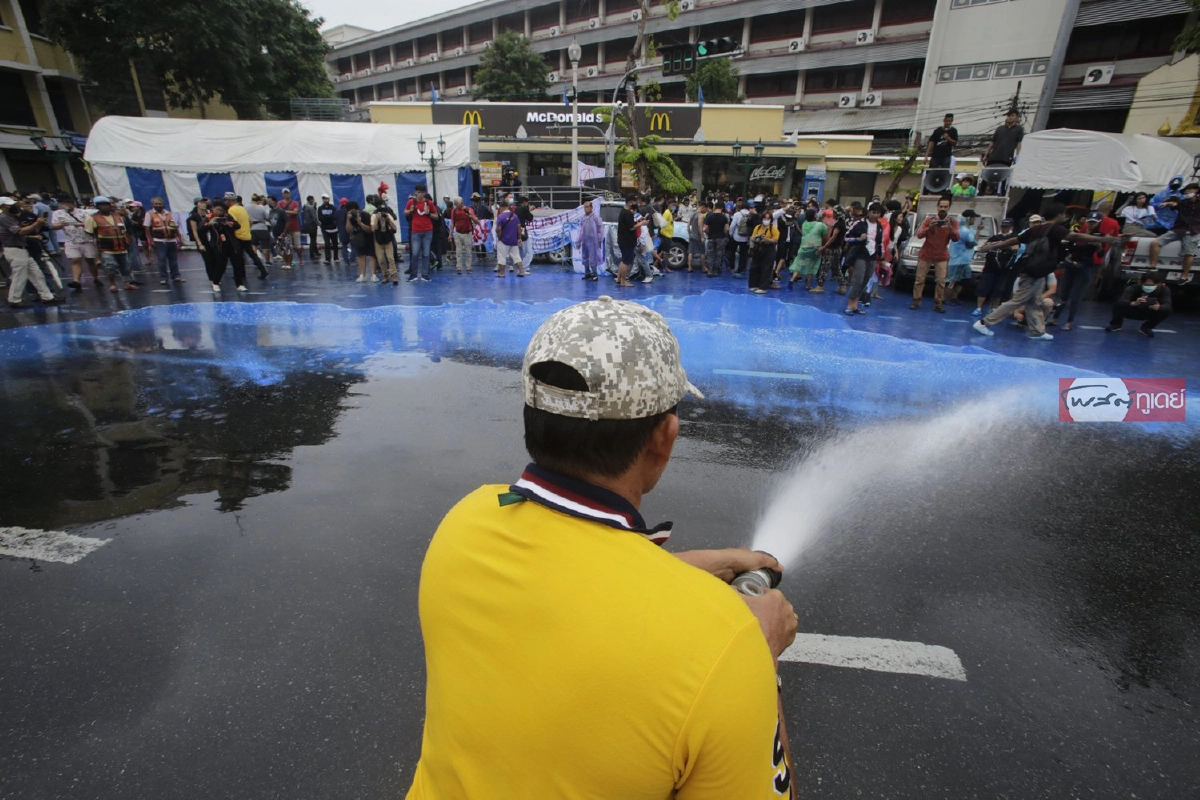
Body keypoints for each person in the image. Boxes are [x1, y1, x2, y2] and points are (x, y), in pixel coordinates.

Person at [406, 296, 798, 799]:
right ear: (665, 436)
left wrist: (714, 563)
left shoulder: (467, 522)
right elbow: (612, 593)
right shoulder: (727, 647)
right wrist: (761, 662)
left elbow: (583, 583)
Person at [974, 204, 1121, 340]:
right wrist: (1103, 239)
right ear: (1059, 214)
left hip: (1034, 269)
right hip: (1036, 271)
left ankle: (1037, 331)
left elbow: (1012, 241)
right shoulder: (1055, 229)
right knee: (1017, 301)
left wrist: (990, 247)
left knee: (1033, 301)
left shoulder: (1034, 230)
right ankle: (984, 322)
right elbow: (1074, 236)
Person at [1050, 212, 1104, 331]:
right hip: (1071, 265)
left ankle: (1069, 322)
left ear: (1098, 223)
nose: (1090, 225)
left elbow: (1101, 254)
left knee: (1076, 296)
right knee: (1063, 293)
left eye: (1093, 223)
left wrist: (1099, 246)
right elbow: (1068, 247)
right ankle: (1055, 318)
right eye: (1089, 222)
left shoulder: (1099, 236)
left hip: (1085, 267)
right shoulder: (1078, 233)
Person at [2, 196, 60, 307]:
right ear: (3, 207)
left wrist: (33, 234)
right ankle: (14, 299)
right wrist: (37, 223)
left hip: (20, 248)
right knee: (20, 275)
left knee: (36, 273)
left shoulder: (10, 217)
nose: (14, 206)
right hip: (15, 249)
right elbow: (20, 231)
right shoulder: (4, 218)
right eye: (10, 205)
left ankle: (47, 296)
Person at [910, 196, 959, 312]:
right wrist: (930, 227)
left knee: (941, 281)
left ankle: (938, 303)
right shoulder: (929, 220)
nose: (942, 209)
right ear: (937, 207)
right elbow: (920, 235)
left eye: (945, 207)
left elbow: (956, 238)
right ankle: (916, 301)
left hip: (941, 255)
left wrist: (950, 228)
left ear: (949, 207)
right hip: (926, 253)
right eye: (941, 206)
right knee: (919, 279)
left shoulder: (953, 221)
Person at [84, 196, 140, 294]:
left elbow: (124, 229)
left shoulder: (118, 216)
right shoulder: (93, 218)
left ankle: (127, 283)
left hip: (121, 245)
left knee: (125, 265)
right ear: (97, 206)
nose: (105, 207)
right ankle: (112, 284)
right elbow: (89, 231)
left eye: (106, 204)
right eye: (102, 205)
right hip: (106, 247)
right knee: (110, 266)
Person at [1148, 180, 1200, 281]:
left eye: (1189, 191)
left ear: (1196, 191)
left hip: (1193, 231)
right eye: (1186, 191)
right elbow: (1174, 204)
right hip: (1178, 229)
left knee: (1189, 253)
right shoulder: (1183, 203)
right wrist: (1167, 203)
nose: (1187, 193)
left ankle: (1184, 276)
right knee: (1155, 242)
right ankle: (1153, 266)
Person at [973, 218, 1020, 317]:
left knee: (998, 290)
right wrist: (994, 246)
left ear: (1011, 227)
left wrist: (999, 246)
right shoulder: (994, 238)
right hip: (990, 267)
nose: (1004, 229)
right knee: (983, 288)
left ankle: (994, 309)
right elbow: (983, 248)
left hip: (1004, 269)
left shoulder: (1014, 238)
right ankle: (978, 308)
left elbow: (1016, 248)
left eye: (1007, 227)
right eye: (1003, 227)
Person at [843, 202, 882, 316]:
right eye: (873, 212)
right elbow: (846, 237)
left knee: (865, 281)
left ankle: (855, 304)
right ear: (869, 212)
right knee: (858, 279)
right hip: (860, 254)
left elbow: (879, 242)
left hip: (872, 255)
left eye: (877, 213)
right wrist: (858, 239)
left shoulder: (879, 226)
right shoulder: (859, 223)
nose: (875, 215)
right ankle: (850, 304)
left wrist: (881, 254)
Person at [51, 195, 98, 290]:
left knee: (90, 261)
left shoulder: (83, 212)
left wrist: (80, 224)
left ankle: (95, 277)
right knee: (75, 260)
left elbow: (90, 223)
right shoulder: (58, 213)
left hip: (86, 240)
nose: (67, 205)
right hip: (71, 240)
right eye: (64, 203)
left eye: (69, 202)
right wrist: (63, 224)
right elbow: (54, 226)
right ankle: (76, 281)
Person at [1105, 271, 1171, 337]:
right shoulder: (1132, 288)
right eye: (1146, 285)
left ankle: (1147, 327)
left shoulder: (1164, 290)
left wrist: (1159, 307)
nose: (1149, 287)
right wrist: (1132, 303)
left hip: (1150, 312)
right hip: (1133, 310)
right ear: (1141, 283)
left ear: (1158, 284)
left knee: (1166, 311)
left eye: (1152, 285)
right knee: (1117, 305)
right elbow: (1122, 300)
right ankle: (1116, 324)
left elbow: (1167, 304)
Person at [201, 201, 246, 293]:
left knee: (237, 264)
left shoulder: (227, 216)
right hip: (218, 245)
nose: (219, 212)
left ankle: (239, 284)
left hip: (231, 244)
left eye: (221, 211)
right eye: (217, 209)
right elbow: (200, 229)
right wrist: (209, 224)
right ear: (213, 208)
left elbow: (237, 225)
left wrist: (229, 224)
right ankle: (215, 283)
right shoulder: (208, 218)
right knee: (221, 265)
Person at [224, 193, 268, 280]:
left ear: (229, 200)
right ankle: (263, 271)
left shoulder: (231, 210)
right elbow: (250, 222)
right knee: (252, 255)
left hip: (238, 236)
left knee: (238, 256)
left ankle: (241, 274)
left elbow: (233, 223)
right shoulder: (242, 208)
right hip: (247, 235)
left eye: (226, 200)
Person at [981, 110, 1024, 194]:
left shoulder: (1019, 129)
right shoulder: (1000, 129)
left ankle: (1002, 192)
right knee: (987, 174)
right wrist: (986, 154)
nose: (1010, 117)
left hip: (1007, 157)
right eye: (1008, 116)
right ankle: (981, 191)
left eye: (1012, 115)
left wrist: (1017, 156)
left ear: (1016, 117)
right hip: (994, 155)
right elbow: (992, 142)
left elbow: (1019, 143)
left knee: (1005, 175)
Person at [145, 196, 183, 285]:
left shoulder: (168, 213)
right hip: (159, 240)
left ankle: (176, 276)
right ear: (153, 205)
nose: (158, 205)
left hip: (171, 240)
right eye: (156, 204)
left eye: (160, 204)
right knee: (161, 260)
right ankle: (164, 277)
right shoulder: (149, 214)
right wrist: (151, 241)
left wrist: (179, 237)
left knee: (173, 259)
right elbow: (147, 228)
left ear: (163, 204)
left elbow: (174, 226)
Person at [945, 209, 979, 304]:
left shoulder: (966, 229)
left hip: (964, 260)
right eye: (973, 218)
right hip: (958, 260)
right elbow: (972, 243)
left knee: (964, 280)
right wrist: (979, 232)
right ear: (968, 219)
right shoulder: (964, 231)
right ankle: (945, 299)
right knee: (952, 281)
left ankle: (953, 297)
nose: (974, 220)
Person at [405, 185, 438, 282]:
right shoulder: (411, 202)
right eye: (418, 192)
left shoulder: (429, 203)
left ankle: (425, 274)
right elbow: (405, 212)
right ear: (415, 192)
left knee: (426, 253)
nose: (419, 194)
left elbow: (436, 216)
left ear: (424, 193)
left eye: (421, 192)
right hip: (415, 231)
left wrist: (429, 213)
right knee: (415, 253)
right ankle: (413, 274)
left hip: (427, 230)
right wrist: (410, 210)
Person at [790, 207, 826, 290]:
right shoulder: (820, 225)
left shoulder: (804, 224)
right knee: (812, 266)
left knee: (798, 263)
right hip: (815, 247)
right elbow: (825, 232)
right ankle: (808, 285)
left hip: (804, 246)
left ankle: (792, 279)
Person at [747, 212, 780, 294]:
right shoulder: (758, 227)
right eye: (764, 218)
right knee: (754, 267)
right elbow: (752, 237)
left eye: (768, 219)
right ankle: (753, 285)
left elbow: (775, 240)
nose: (766, 220)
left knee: (766, 268)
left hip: (769, 249)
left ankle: (763, 287)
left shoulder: (773, 228)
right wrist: (754, 239)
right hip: (758, 249)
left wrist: (767, 240)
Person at [616, 194, 644, 288]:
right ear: (630, 202)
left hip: (623, 240)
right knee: (626, 261)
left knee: (624, 259)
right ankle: (623, 280)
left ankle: (619, 278)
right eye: (634, 202)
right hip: (627, 240)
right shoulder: (627, 213)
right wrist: (642, 223)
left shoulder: (624, 211)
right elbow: (631, 227)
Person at [372, 202, 400, 285]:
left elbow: (394, 228)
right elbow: (373, 228)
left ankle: (394, 276)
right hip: (378, 240)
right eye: (381, 212)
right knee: (381, 259)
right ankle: (385, 275)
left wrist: (388, 219)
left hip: (388, 239)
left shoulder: (388, 216)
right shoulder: (374, 216)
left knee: (390, 258)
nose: (383, 213)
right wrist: (377, 219)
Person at [494, 200, 523, 278]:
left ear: (502, 207)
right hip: (513, 240)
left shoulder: (500, 217)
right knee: (517, 256)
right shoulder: (515, 216)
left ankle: (502, 273)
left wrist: (499, 237)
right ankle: (521, 271)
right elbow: (519, 228)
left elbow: (498, 229)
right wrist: (519, 238)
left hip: (504, 240)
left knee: (502, 257)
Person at [447, 196, 475, 275]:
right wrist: (450, 234)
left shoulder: (468, 210)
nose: (456, 206)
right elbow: (452, 223)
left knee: (468, 251)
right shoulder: (454, 211)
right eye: (455, 204)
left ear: (461, 203)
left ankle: (468, 267)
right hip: (458, 233)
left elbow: (475, 219)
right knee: (458, 251)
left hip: (467, 233)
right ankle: (459, 267)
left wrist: (469, 214)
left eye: (457, 204)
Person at [577, 199, 604, 282]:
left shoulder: (595, 218)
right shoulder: (583, 218)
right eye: (585, 207)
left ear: (591, 208)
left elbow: (600, 229)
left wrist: (599, 240)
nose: (586, 209)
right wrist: (579, 241)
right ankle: (587, 273)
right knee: (585, 257)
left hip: (593, 241)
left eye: (588, 207)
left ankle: (594, 274)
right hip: (585, 240)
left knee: (593, 257)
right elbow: (581, 231)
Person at [702, 201, 729, 278]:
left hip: (711, 237)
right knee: (719, 254)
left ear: (715, 207)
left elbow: (705, 228)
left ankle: (710, 270)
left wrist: (708, 233)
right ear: (722, 208)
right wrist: (725, 236)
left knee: (710, 254)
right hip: (720, 238)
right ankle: (716, 270)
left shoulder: (710, 216)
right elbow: (727, 229)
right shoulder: (724, 217)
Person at [278, 189, 302, 267]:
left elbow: (295, 212)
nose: (286, 195)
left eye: (287, 193)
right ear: (282, 194)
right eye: (285, 193)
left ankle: (300, 259)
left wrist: (284, 211)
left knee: (297, 246)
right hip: (285, 228)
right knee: (287, 246)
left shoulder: (295, 203)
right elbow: (279, 212)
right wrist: (289, 211)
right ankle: (290, 261)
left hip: (295, 227)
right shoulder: (280, 203)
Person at [729, 198, 752, 275]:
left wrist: (731, 234)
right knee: (743, 254)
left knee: (732, 252)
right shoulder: (751, 214)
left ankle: (732, 266)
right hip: (746, 237)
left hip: (736, 235)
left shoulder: (737, 214)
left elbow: (732, 225)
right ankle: (741, 268)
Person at [317, 194, 340, 264]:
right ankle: (328, 258)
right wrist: (328, 217)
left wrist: (327, 217)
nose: (325, 200)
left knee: (335, 244)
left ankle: (336, 257)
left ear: (329, 199)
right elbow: (320, 218)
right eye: (324, 199)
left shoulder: (332, 207)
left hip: (333, 228)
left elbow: (334, 216)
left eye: (326, 198)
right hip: (325, 228)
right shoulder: (320, 208)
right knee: (327, 244)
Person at [516, 195, 535, 275]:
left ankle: (522, 268)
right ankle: (523, 268)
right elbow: (530, 218)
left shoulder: (516, 209)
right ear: (524, 202)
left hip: (517, 230)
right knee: (529, 252)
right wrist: (529, 210)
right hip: (522, 230)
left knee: (521, 252)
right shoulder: (524, 208)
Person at [687, 200, 706, 272]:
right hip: (697, 236)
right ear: (703, 207)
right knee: (702, 252)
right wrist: (702, 236)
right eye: (705, 209)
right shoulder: (700, 215)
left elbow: (688, 225)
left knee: (691, 252)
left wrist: (689, 233)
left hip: (691, 235)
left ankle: (689, 267)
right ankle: (703, 267)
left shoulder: (692, 214)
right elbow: (700, 226)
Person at [302, 195, 319, 261]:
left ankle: (316, 252)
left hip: (307, 224)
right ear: (311, 200)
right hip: (312, 224)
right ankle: (312, 253)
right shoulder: (311, 207)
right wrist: (318, 224)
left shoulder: (305, 206)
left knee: (313, 238)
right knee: (313, 239)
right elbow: (314, 217)